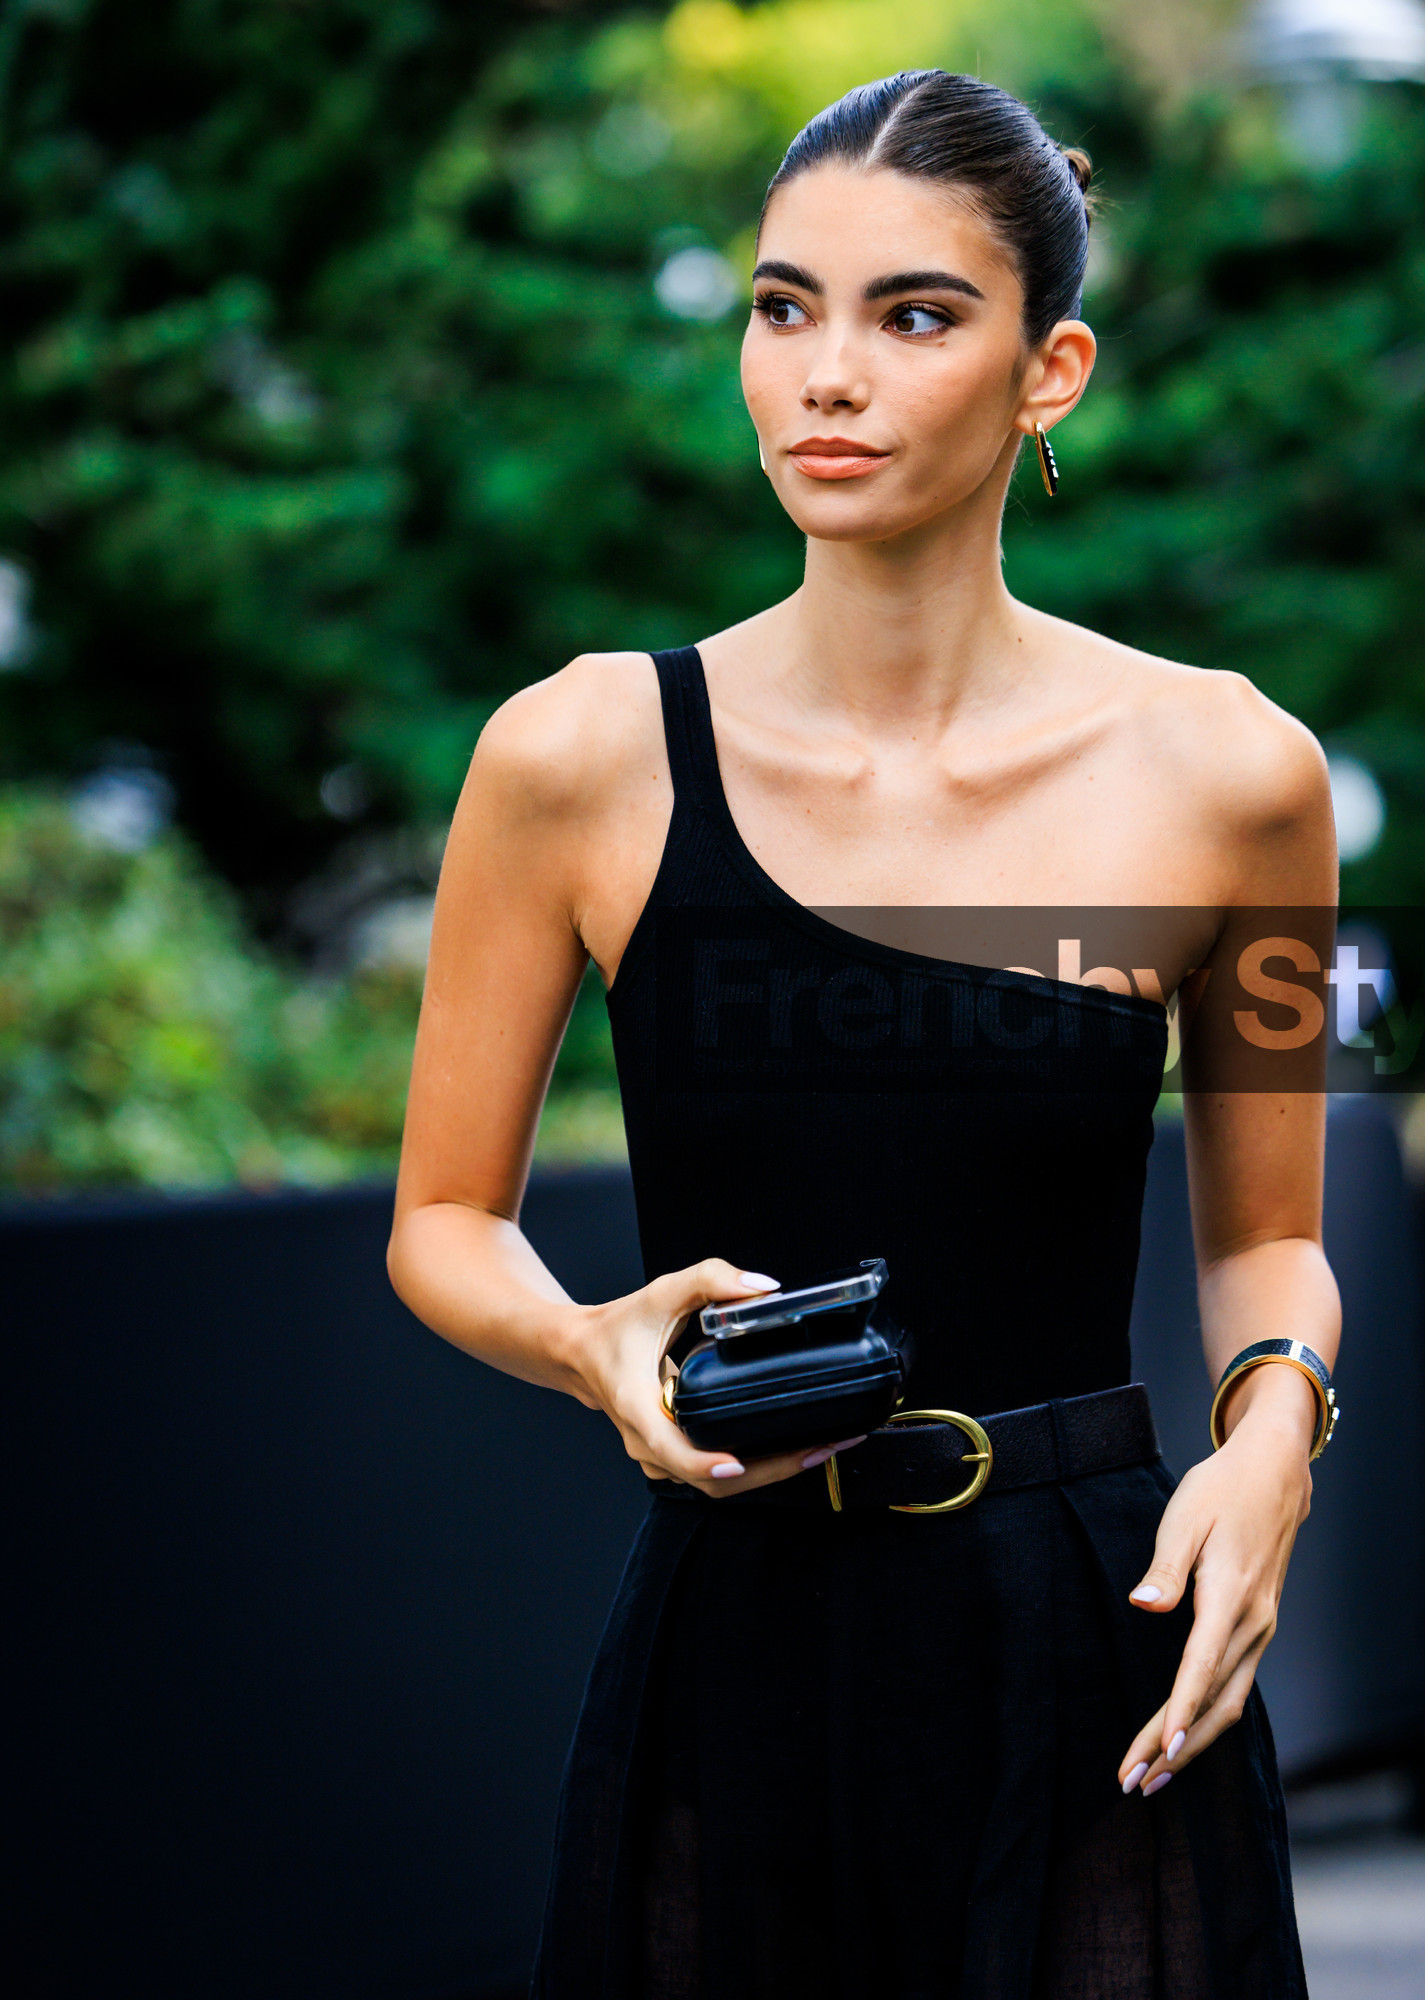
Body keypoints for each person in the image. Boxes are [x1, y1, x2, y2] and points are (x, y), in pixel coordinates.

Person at [388, 69, 1340, 2000]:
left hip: (1089, 1635)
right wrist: (589, 1343)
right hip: (740, 1633)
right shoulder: (575, 755)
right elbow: (441, 1224)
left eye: (915, 314)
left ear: (1046, 371)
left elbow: (1271, 1242)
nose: (826, 371)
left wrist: (1275, 1441)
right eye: (781, 304)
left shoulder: (1236, 775)